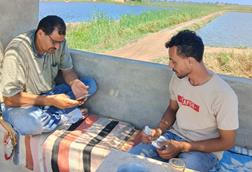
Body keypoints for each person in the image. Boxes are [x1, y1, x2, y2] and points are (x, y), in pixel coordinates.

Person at [129, 30, 239, 171]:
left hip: (204, 150)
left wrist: (183, 147)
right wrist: (158, 131)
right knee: (133, 158)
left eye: (174, 61)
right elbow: (172, 109)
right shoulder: (178, 78)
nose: (170, 66)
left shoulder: (223, 94)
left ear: (190, 61)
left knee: (179, 169)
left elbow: (228, 142)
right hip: (173, 137)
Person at [0, 15, 97, 135]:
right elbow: (10, 99)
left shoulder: (59, 44)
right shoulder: (17, 51)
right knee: (32, 124)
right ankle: (63, 117)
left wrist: (74, 83)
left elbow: (68, 71)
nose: (57, 47)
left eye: (60, 42)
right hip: (22, 103)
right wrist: (51, 101)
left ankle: (54, 113)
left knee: (90, 85)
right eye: (54, 41)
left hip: (49, 94)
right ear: (40, 34)